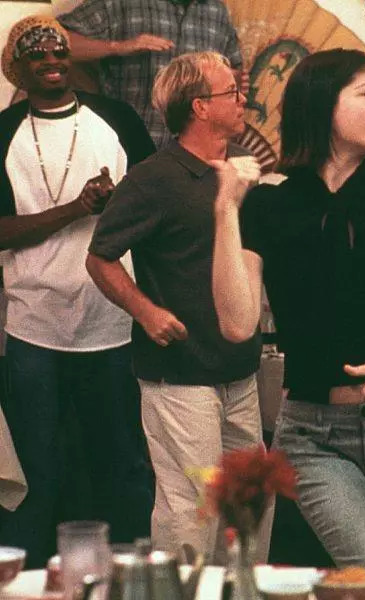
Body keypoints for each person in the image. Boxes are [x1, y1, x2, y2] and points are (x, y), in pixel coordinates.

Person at [209, 48, 365, 586]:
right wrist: (226, 208)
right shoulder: (268, 205)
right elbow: (237, 324)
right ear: (323, 105)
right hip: (312, 437)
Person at [85, 51, 266, 561]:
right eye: (232, 92)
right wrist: (145, 312)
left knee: (250, 508)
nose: (243, 99)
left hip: (240, 372)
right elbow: (99, 257)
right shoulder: (153, 179)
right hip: (180, 376)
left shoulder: (239, 173)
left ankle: (244, 594)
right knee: (192, 509)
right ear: (200, 107)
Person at [0, 15, 154, 568]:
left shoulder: (116, 118)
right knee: (35, 471)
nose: (52, 61)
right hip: (32, 327)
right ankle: (26, 580)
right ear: (17, 68)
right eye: (37, 55)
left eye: (59, 51)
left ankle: (133, 575)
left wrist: (120, 206)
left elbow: (155, 201)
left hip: (112, 324)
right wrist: (76, 209)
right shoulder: (4, 131)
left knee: (124, 464)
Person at [57, 0, 245, 149]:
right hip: (128, 145)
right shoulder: (120, 3)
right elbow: (55, 42)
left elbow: (234, 71)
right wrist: (118, 47)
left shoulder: (216, 11)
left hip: (195, 158)